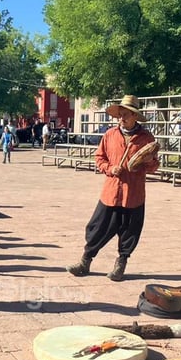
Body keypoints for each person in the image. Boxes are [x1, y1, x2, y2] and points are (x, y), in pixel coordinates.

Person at [66, 95, 159, 281]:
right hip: (111, 192)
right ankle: (85, 261)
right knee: (97, 227)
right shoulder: (110, 135)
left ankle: (121, 263)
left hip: (133, 194)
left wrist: (147, 162)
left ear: (135, 116)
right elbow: (99, 158)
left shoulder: (146, 138)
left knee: (130, 231)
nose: (122, 118)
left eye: (126, 115)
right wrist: (109, 168)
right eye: (120, 115)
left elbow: (154, 166)